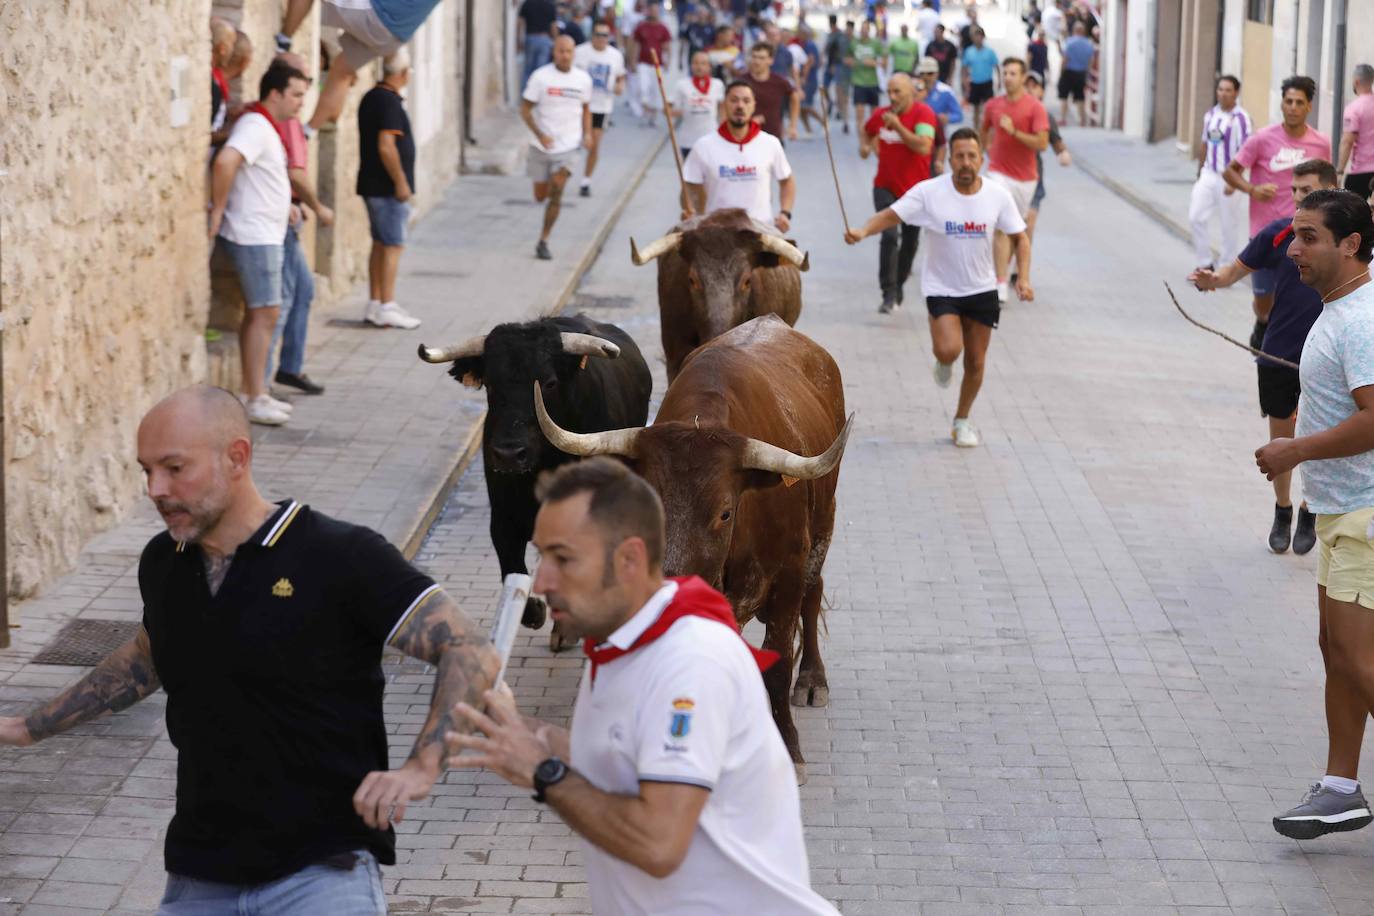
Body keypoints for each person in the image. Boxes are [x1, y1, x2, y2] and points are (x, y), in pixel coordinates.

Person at [0, 385, 501, 915]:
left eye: (174, 468)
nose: (155, 488)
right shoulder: (165, 562)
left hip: (321, 875)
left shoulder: (337, 554)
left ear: (236, 457)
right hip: (199, 874)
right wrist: (28, 728)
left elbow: (469, 647)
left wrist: (421, 767)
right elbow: (151, 653)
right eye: (146, 470)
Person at [445, 457, 840, 915]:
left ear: (630, 559)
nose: (541, 581)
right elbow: (631, 762)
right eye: (541, 555)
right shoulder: (621, 643)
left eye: (563, 558)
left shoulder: (690, 662)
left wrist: (542, 771)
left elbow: (658, 844)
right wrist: (536, 736)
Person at [1254, 189, 1374, 841]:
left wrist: (1294, 448)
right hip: (1337, 511)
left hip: (1366, 514)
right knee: (1335, 651)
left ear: (1350, 244)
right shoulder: (1338, 307)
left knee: (1359, 662)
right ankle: (1339, 788)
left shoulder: (1361, 319)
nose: (1293, 249)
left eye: (1308, 237)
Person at [845, 127, 1033, 448]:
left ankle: (962, 420)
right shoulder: (929, 193)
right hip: (942, 287)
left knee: (975, 361)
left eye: (972, 156)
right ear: (949, 159)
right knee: (949, 349)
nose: (965, 162)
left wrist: (1024, 278)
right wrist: (863, 231)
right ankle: (943, 361)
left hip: (981, 288)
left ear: (981, 159)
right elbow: (893, 215)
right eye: (959, 156)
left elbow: (1020, 238)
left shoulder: (997, 195)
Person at [1190, 159, 1337, 555]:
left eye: (1306, 191)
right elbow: (1233, 271)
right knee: (1281, 440)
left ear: (1330, 190)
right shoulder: (1277, 236)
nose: (1297, 198)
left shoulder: (1345, 242)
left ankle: (1311, 509)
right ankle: (1283, 508)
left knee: (1318, 439)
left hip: (1325, 361)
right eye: (1294, 191)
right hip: (1278, 356)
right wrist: (1212, 281)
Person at [209, 64, 308, 427]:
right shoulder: (255, 126)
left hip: (266, 229)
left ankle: (256, 392)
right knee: (265, 312)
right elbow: (226, 162)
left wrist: (288, 208)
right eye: (296, 94)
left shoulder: (263, 124)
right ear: (275, 94)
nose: (300, 102)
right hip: (254, 234)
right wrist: (218, 210)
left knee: (263, 312)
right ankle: (255, 396)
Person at [1226, 75, 1331, 356]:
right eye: (1288, 101)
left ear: (1309, 106)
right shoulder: (1262, 139)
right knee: (1263, 299)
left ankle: (1285, 350)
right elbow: (1231, 170)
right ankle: (1262, 322)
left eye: (1299, 102)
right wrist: (1252, 189)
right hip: (1267, 233)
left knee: (1296, 300)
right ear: (1281, 104)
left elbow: (1328, 187)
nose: (1293, 107)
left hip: (1304, 238)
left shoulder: (1321, 144)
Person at [268, 53, 333, 396]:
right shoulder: (282, 119)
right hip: (280, 218)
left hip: (287, 213)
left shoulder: (290, 117)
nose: (307, 85)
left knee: (302, 291)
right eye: (301, 81)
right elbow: (292, 171)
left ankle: (289, 367)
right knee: (285, 298)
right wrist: (317, 205)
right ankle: (263, 383)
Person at [276, 0, 446, 131]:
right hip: (393, 37)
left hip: (374, 15)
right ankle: (308, 131)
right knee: (342, 72)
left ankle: (283, 42)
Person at [860, 73, 937, 313]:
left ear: (911, 92)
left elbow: (923, 146)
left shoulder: (923, 114)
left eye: (897, 92)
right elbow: (867, 130)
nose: (892, 98)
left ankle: (900, 283)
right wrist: (866, 146)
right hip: (885, 186)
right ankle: (888, 292)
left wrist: (899, 127)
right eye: (889, 92)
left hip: (916, 191)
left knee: (910, 242)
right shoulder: (880, 114)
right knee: (890, 236)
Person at [357, 50, 423, 329]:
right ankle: (387, 304)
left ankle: (376, 302)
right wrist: (401, 182)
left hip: (372, 185)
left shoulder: (372, 96)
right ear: (403, 73)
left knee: (381, 243)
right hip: (386, 188)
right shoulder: (389, 102)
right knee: (393, 245)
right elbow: (387, 145)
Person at [682, 80, 795, 231]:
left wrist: (784, 213)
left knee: (795, 255)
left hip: (761, 232)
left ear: (754, 105)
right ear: (724, 105)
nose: (740, 106)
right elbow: (689, 188)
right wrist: (690, 210)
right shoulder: (703, 146)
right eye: (734, 100)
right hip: (716, 233)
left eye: (746, 101)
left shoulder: (770, 143)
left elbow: (787, 181)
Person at [980, 57, 1049, 302]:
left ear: (1022, 78)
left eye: (1012, 73)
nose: (1008, 77)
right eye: (1005, 73)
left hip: (1025, 179)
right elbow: (984, 129)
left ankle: (1005, 271)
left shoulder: (1034, 107)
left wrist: (1014, 132)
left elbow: (1042, 143)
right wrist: (982, 151)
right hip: (998, 171)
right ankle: (999, 283)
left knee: (1013, 229)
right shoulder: (993, 105)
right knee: (999, 224)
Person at [523, 34, 594, 260]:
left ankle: (543, 240)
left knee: (557, 188)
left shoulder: (583, 79)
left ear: (574, 53)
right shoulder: (540, 77)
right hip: (541, 146)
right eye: (561, 51)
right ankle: (544, 201)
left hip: (569, 146)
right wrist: (540, 135)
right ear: (554, 52)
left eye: (569, 51)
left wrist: (588, 133)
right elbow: (524, 109)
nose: (565, 55)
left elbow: (586, 109)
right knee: (540, 195)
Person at [1188, 75, 1251, 272]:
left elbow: (1246, 152)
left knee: (1228, 224)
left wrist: (1235, 182)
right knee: (1195, 216)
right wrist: (1199, 173)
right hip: (1209, 173)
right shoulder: (1210, 115)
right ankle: (1204, 262)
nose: (1223, 94)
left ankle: (1226, 266)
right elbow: (1205, 143)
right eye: (1220, 89)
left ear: (1236, 93)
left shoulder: (1241, 119)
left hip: (1230, 177)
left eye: (1228, 90)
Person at [574, 23, 627, 197]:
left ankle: (586, 181)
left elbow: (621, 76)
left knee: (595, 145)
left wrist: (620, 85)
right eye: (598, 34)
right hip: (579, 105)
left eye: (605, 35)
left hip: (601, 107)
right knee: (573, 142)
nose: (601, 38)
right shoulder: (580, 52)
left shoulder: (615, 56)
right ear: (592, 35)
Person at [1023, 69, 1070, 240]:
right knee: (1010, 228)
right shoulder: (1012, 114)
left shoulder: (1045, 116)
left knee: (1028, 223)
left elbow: (1057, 142)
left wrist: (1063, 153)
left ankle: (1020, 267)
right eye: (1025, 86)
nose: (1029, 90)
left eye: (1034, 86)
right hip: (1011, 176)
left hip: (1034, 176)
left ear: (1041, 91)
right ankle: (1007, 262)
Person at [672, 50, 726, 161]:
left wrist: (724, 129)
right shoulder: (682, 84)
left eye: (703, 63)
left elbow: (722, 109)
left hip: (711, 137)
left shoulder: (717, 84)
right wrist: (669, 110)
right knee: (690, 175)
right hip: (688, 139)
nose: (699, 67)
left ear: (709, 66)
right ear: (691, 65)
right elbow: (673, 110)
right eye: (695, 63)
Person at [744, 42, 800, 143]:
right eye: (754, 57)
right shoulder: (742, 81)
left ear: (770, 60)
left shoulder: (779, 81)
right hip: (747, 137)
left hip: (773, 138)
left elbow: (794, 97)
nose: (756, 61)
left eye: (761, 58)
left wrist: (792, 126)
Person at [632, 4, 673, 125]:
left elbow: (667, 46)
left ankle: (653, 117)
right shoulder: (641, 27)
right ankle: (644, 113)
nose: (653, 13)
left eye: (655, 10)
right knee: (643, 88)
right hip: (643, 63)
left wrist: (667, 61)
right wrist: (633, 61)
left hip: (657, 64)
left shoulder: (663, 28)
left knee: (656, 90)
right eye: (651, 10)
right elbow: (636, 44)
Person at [1339, 64, 1374, 200]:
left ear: (1356, 81)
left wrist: (1340, 171)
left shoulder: (1354, 108)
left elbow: (1347, 141)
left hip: (1361, 172)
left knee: (1353, 216)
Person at [847, 20, 885, 136]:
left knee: (874, 114)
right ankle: (862, 140)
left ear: (869, 30)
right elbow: (847, 59)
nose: (864, 31)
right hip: (859, 82)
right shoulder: (854, 43)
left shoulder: (876, 43)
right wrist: (856, 62)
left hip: (873, 82)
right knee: (860, 114)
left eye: (866, 28)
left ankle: (872, 137)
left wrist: (874, 63)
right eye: (862, 28)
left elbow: (884, 61)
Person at [1058, 21, 1095, 126]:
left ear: (1074, 30)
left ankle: (1063, 118)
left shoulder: (1069, 42)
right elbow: (1091, 61)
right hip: (1081, 73)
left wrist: (1061, 72)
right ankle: (1082, 120)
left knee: (1064, 96)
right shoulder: (1089, 44)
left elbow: (1065, 59)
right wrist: (1087, 73)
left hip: (1068, 71)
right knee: (1080, 97)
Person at [961, 28, 999, 127]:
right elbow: (964, 67)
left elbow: (996, 66)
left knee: (988, 106)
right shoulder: (969, 51)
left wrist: (999, 81)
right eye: (975, 36)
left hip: (987, 82)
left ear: (983, 37)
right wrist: (964, 81)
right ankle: (976, 128)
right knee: (976, 108)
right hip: (975, 83)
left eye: (980, 36)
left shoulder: (989, 51)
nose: (978, 38)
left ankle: (987, 127)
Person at [823, 18, 853, 133]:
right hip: (840, 68)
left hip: (850, 70)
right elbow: (832, 51)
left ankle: (843, 117)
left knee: (844, 96)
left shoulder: (854, 41)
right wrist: (833, 64)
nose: (848, 31)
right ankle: (843, 118)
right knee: (841, 95)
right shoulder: (840, 37)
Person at [210, 18, 236, 147]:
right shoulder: (211, 86)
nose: (233, 50)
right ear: (222, 48)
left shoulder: (215, 80)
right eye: (232, 44)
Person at [520, 0, 559, 86]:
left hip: (530, 38)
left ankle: (525, 94)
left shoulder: (527, 3)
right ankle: (538, 94)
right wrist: (556, 41)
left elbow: (521, 23)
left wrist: (519, 40)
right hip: (544, 39)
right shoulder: (549, 5)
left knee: (528, 70)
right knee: (541, 70)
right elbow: (553, 26)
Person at [918, 55, 962, 126]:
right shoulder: (913, 90)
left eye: (930, 73)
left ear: (937, 73)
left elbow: (958, 115)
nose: (925, 77)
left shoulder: (946, 91)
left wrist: (948, 118)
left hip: (938, 133)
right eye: (922, 73)